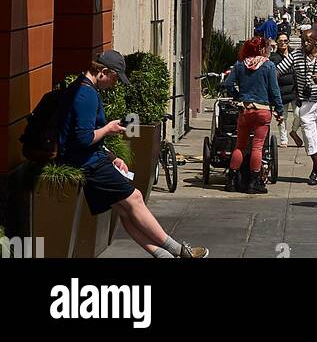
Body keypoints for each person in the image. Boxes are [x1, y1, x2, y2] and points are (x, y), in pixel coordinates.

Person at [59, 50, 208, 257]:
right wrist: (108, 129)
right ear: (103, 71)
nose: (115, 83)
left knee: (125, 210)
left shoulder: (83, 89)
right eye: (114, 78)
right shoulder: (86, 95)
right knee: (135, 198)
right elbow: (83, 138)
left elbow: (81, 138)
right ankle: (180, 251)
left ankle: (165, 256)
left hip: (89, 159)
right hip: (88, 163)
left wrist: (112, 156)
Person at [222, 36, 283, 193]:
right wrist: (279, 109)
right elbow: (274, 90)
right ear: (262, 49)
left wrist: (238, 96)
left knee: (240, 146)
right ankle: (254, 182)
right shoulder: (268, 66)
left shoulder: (240, 65)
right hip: (262, 110)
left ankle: (232, 179)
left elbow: (228, 84)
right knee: (257, 147)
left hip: (245, 109)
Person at [287, 24, 317, 185]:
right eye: (303, 41)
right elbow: (278, 70)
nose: (304, 44)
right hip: (306, 104)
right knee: (309, 138)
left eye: (308, 41)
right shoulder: (295, 55)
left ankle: (315, 172)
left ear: (316, 41)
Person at [271, 34, 304, 149]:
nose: (283, 43)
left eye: (285, 41)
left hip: (295, 90)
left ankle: (294, 131)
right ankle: (283, 138)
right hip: (281, 91)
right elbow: (274, 73)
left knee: (299, 114)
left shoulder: (294, 54)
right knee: (282, 116)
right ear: (277, 42)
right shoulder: (274, 57)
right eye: (280, 41)